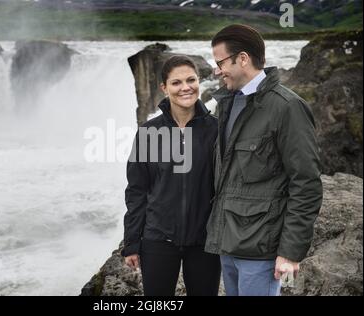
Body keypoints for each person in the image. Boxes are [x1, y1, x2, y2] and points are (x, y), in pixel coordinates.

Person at [204, 24, 323, 296]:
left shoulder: (287, 107)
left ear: (243, 59)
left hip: (261, 253)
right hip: (228, 244)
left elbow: (306, 184)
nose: (216, 70)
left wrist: (290, 253)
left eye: (220, 62)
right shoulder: (227, 103)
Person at [121, 55, 221, 296]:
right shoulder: (148, 132)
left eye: (191, 80)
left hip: (205, 242)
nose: (185, 87)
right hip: (157, 240)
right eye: (176, 83)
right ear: (164, 88)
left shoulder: (217, 129)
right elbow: (136, 190)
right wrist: (132, 242)